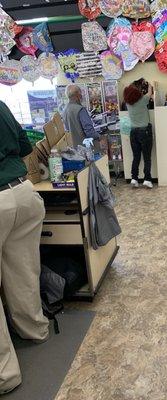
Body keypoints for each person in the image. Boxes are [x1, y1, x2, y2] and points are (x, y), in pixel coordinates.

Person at [0, 101, 49, 394]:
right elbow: (24, 146)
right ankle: (35, 329)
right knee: (23, 271)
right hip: (22, 192)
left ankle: (5, 374)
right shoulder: (2, 105)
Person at [124, 80, 153, 189]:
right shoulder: (143, 100)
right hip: (144, 131)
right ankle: (147, 179)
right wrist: (150, 84)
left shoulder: (128, 103)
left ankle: (134, 178)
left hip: (133, 132)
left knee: (136, 157)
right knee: (147, 157)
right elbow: (149, 92)